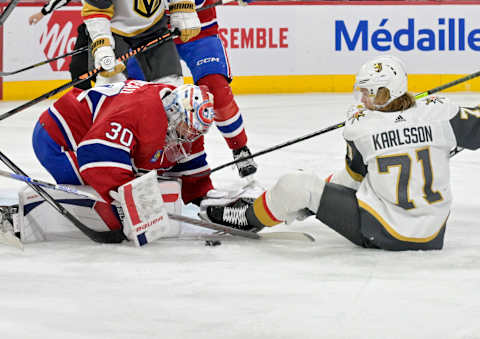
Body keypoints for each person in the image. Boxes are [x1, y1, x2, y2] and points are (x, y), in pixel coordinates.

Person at [202, 55, 480, 251]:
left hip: (380, 230)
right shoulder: (442, 114)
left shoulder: (362, 129)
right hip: (432, 235)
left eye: (370, 93)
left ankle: (248, 218)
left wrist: (307, 199)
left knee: (295, 185)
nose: (364, 100)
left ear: (385, 93)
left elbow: (354, 180)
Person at [175, 0, 257, 178]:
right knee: (150, 96)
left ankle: (240, 148)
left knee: (217, 90)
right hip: (154, 34)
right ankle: (154, 158)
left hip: (201, 31)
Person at [81, 0, 201, 86]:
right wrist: (102, 46)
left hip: (154, 27)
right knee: (111, 82)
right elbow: (96, 11)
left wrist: (183, 7)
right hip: (113, 31)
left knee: (170, 84)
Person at [28, 0, 94, 90]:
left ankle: (114, 99)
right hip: (90, 27)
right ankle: (85, 101)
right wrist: (43, 12)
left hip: (115, 29)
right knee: (78, 68)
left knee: (108, 69)